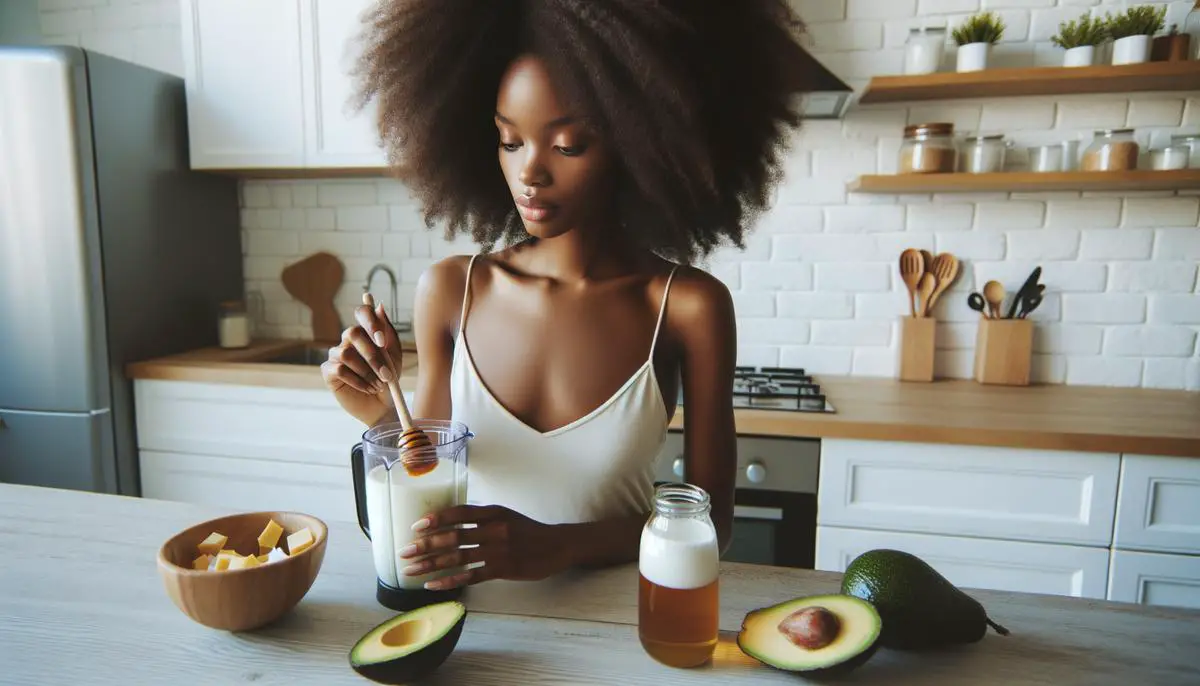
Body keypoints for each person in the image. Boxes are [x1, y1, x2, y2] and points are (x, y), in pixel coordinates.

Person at [321, 0, 821, 592]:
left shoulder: (687, 307)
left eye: (567, 145)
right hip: (473, 626)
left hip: (621, 628)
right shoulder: (453, 291)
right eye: (510, 142)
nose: (530, 173)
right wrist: (375, 412)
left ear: (639, 142)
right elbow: (427, 466)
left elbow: (711, 523)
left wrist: (558, 545)